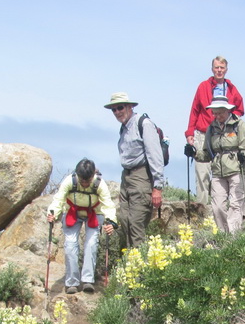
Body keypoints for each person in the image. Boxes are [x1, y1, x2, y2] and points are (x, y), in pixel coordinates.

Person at [105, 92, 164, 252]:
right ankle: (131, 265)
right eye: (114, 109)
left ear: (130, 106)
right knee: (125, 221)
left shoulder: (143, 124)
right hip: (127, 177)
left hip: (142, 177)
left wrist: (157, 186)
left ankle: (139, 272)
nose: (117, 112)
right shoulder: (124, 128)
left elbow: (155, 155)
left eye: (120, 107)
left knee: (136, 225)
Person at [47, 159, 116, 294]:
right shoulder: (69, 181)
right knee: (70, 245)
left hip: (94, 213)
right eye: (82, 180)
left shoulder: (99, 184)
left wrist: (111, 222)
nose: (84, 184)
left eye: (87, 181)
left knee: (91, 244)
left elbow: (108, 204)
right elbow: (58, 199)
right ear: (77, 175)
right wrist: (52, 214)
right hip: (73, 211)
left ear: (92, 176)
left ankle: (87, 281)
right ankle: (72, 282)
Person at [186, 96, 245, 233]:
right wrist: (194, 153)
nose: (217, 116)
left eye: (220, 113)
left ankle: (234, 238)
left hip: (236, 171)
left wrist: (244, 156)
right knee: (217, 207)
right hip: (217, 172)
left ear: (228, 110)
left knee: (235, 205)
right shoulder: (211, 128)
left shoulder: (239, 125)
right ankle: (223, 236)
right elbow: (207, 154)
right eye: (215, 113)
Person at [184, 56, 245, 205]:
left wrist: (230, 123)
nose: (219, 70)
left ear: (226, 69)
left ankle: (221, 207)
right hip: (203, 132)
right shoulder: (203, 86)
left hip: (223, 134)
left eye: (222, 68)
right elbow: (195, 110)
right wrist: (190, 133)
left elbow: (240, 108)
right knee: (202, 172)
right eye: (217, 67)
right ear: (212, 69)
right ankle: (203, 208)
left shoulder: (231, 88)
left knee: (223, 172)